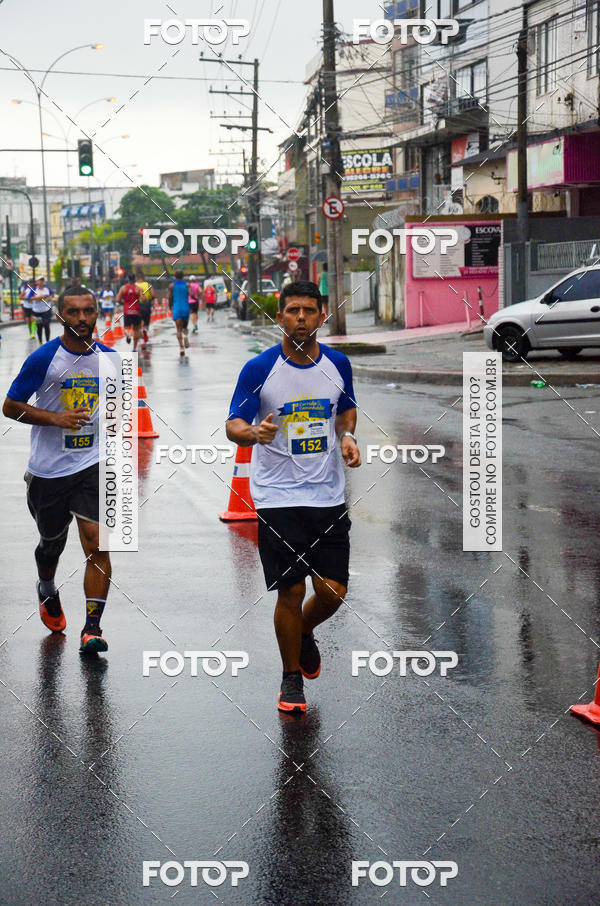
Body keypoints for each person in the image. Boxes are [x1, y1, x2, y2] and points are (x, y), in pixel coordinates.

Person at [226, 280, 361, 714]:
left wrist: (348, 437)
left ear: (322, 315)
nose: (300, 318)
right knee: (291, 588)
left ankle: (302, 631)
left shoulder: (338, 363)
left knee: (333, 590)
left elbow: (345, 408)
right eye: (291, 311)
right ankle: (290, 680)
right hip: (277, 495)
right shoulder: (259, 368)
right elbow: (233, 424)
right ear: (280, 316)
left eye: (308, 310)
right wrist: (254, 432)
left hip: (327, 494)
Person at [2, 284, 118, 654]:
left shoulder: (114, 360)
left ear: (98, 312)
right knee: (51, 544)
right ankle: (47, 587)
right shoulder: (43, 359)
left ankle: (92, 628)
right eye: (74, 312)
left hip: (92, 464)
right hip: (48, 471)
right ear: (60, 315)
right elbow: (10, 406)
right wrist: (54, 417)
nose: (82, 319)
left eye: (89, 311)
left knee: (97, 542)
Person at [116, 273, 142, 351]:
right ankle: (134, 348)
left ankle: (128, 334)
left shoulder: (123, 288)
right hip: (136, 311)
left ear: (128, 279)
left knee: (126, 328)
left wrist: (124, 303)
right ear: (135, 279)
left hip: (127, 311)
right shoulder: (138, 288)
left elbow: (117, 300)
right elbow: (143, 299)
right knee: (137, 329)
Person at [169, 270, 190, 356]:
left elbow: (170, 297)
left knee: (178, 329)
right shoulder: (187, 285)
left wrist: (170, 306)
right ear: (183, 276)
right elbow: (191, 294)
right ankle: (185, 336)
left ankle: (181, 347)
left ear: (175, 276)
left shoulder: (172, 286)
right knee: (185, 327)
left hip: (177, 308)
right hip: (185, 308)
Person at [28, 276, 53, 345]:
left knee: (46, 325)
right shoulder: (34, 289)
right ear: (37, 282)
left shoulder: (47, 288)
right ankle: (40, 342)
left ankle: (48, 342)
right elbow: (29, 299)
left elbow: (51, 295)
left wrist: (49, 298)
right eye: (40, 280)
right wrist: (37, 297)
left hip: (46, 310)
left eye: (43, 280)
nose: (42, 282)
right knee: (39, 326)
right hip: (37, 311)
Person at [136, 271, 155, 345]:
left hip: (137, 306)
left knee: (139, 323)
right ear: (143, 278)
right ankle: (145, 331)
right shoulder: (148, 285)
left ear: (137, 278)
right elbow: (153, 295)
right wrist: (150, 299)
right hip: (146, 305)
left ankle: (141, 338)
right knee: (146, 322)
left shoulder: (135, 285)